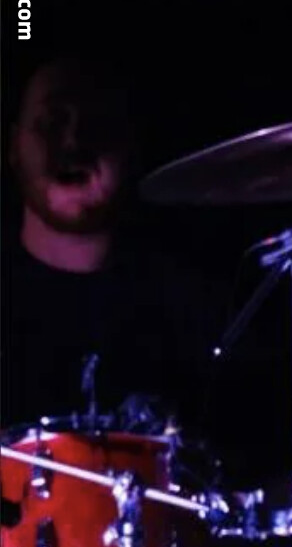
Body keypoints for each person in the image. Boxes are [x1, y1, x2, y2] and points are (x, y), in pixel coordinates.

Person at [1, 54, 217, 432]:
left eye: (96, 124)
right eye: (52, 122)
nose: (73, 141)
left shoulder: (192, 308)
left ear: (129, 148)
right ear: (14, 147)